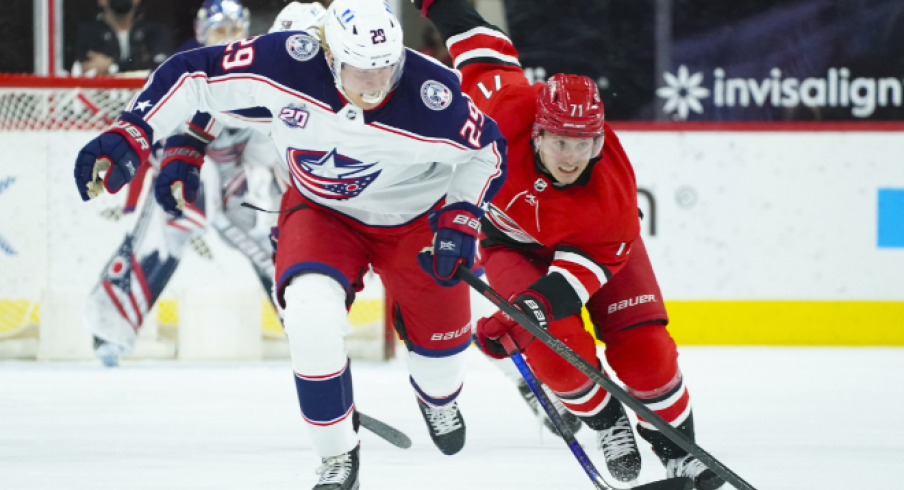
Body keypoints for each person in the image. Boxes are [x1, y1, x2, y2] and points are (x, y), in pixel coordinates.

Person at [72, 1, 507, 489]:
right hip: (322, 209)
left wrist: (462, 216)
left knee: (440, 366)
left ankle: (437, 398)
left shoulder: (432, 95)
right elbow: (198, 76)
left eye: (386, 66)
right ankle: (337, 456)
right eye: (360, 68)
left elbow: (487, 151)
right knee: (308, 314)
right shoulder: (288, 61)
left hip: (414, 217)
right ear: (325, 53)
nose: (375, 83)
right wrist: (140, 130)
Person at [416, 1, 725, 489]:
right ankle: (609, 424)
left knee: (647, 354)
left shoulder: (612, 198)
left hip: (595, 250)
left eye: (584, 143)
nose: (572, 156)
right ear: (537, 132)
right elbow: (476, 37)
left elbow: (571, 284)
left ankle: (677, 448)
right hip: (511, 246)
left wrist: (525, 310)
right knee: (553, 354)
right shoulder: (502, 111)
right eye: (560, 141)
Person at [86, 0, 314, 368]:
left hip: (233, 167)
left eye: (234, 30)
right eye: (219, 31)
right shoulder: (185, 63)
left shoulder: (254, 61)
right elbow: (158, 120)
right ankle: (109, 330)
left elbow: (267, 132)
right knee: (157, 241)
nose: (227, 38)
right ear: (200, 32)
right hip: (182, 166)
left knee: (266, 234)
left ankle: (306, 324)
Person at [73, 0, 172, 76]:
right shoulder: (89, 33)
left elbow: (161, 67)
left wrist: (113, 66)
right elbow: (86, 68)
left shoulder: (155, 32)